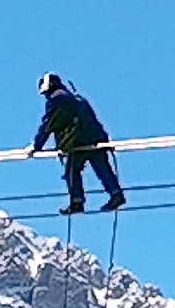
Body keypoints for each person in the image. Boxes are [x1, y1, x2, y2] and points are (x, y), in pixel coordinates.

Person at [34, 73, 123, 215]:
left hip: (78, 143)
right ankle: (116, 194)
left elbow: (47, 125)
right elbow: (93, 119)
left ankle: (77, 202)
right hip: (95, 139)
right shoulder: (78, 98)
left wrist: (36, 146)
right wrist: (105, 140)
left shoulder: (56, 99)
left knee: (72, 172)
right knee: (103, 169)